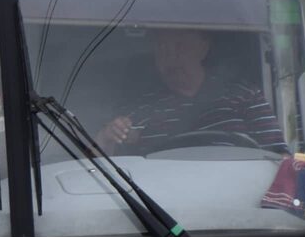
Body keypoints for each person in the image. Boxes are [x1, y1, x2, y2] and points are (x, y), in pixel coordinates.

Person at [94, 27, 286, 154]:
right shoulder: (141, 109)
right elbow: (102, 169)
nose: (170, 56)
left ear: (203, 48)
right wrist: (106, 136)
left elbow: (280, 158)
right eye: (162, 48)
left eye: (179, 46)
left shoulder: (245, 96)